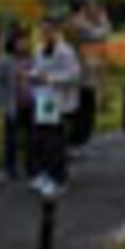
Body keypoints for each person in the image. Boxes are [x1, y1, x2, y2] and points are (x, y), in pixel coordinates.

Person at [29, 15, 81, 197]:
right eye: (42, 30)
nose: (45, 33)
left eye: (48, 30)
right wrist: (33, 75)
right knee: (40, 139)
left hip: (58, 100)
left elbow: (74, 75)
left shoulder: (66, 51)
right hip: (43, 98)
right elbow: (37, 67)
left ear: (55, 30)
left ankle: (58, 178)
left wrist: (50, 79)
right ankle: (43, 174)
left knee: (54, 142)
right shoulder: (39, 49)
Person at [67, 0, 111, 151]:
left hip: (87, 71)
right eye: (88, 6)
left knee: (87, 106)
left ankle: (81, 140)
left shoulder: (83, 22)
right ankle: (76, 141)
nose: (92, 9)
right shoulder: (76, 23)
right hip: (80, 73)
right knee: (82, 108)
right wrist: (103, 19)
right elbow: (100, 33)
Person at [0, 27, 33, 180]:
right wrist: (0, 103)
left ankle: (31, 166)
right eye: (20, 41)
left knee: (31, 136)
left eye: (25, 41)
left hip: (31, 102)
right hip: (13, 103)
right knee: (11, 137)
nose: (24, 44)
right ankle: (10, 168)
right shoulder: (4, 60)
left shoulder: (31, 58)